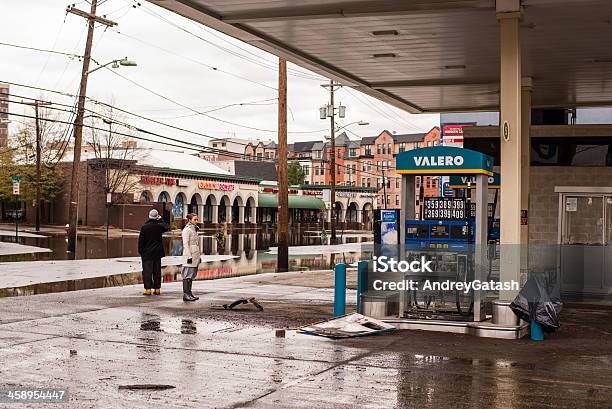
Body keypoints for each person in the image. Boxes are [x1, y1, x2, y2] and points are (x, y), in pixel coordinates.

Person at [138, 209, 169, 296]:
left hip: (147, 253)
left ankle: (148, 289)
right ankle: (157, 288)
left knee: (147, 271)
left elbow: (141, 241)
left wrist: (141, 251)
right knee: (157, 271)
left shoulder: (144, 227)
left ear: (149, 216)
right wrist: (161, 219)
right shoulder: (159, 227)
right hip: (157, 253)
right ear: (156, 217)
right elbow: (167, 227)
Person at [181, 213, 201, 302]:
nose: (196, 221)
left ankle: (189, 293)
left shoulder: (194, 229)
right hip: (189, 256)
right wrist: (189, 256)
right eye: (195, 219)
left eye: (197, 219)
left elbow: (196, 244)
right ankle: (186, 294)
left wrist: (199, 256)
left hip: (195, 255)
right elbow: (185, 244)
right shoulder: (187, 230)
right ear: (189, 220)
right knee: (187, 275)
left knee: (192, 275)